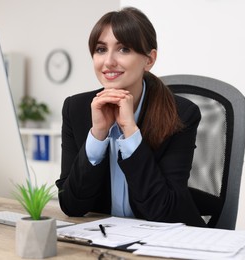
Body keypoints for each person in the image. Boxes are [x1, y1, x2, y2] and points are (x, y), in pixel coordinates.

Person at [55, 7, 206, 227]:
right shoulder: (76, 109)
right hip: (109, 239)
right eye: (100, 49)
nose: (108, 62)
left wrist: (130, 133)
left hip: (169, 242)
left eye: (124, 49)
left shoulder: (181, 114)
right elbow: (71, 205)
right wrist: (97, 135)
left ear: (149, 60)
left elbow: (164, 210)